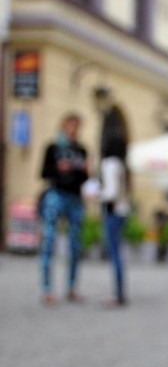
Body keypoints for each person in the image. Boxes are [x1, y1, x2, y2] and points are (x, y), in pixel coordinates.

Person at [39, 113, 90, 305]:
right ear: (63, 126)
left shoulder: (82, 150)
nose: (73, 130)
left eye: (76, 126)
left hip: (75, 197)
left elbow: (85, 179)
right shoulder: (52, 148)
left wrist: (83, 170)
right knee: (49, 241)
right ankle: (46, 289)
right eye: (71, 126)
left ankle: (71, 288)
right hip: (56, 194)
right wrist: (59, 168)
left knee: (75, 245)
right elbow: (44, 173)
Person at [99, 135, 131, 306]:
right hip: (123, 212)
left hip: (113, 212)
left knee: (114, 254)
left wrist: (96, 195)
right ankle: (119, 292)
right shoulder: (120, 164)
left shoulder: (109, 164)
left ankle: (117, 294)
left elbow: (111, 192)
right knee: (118, 253)